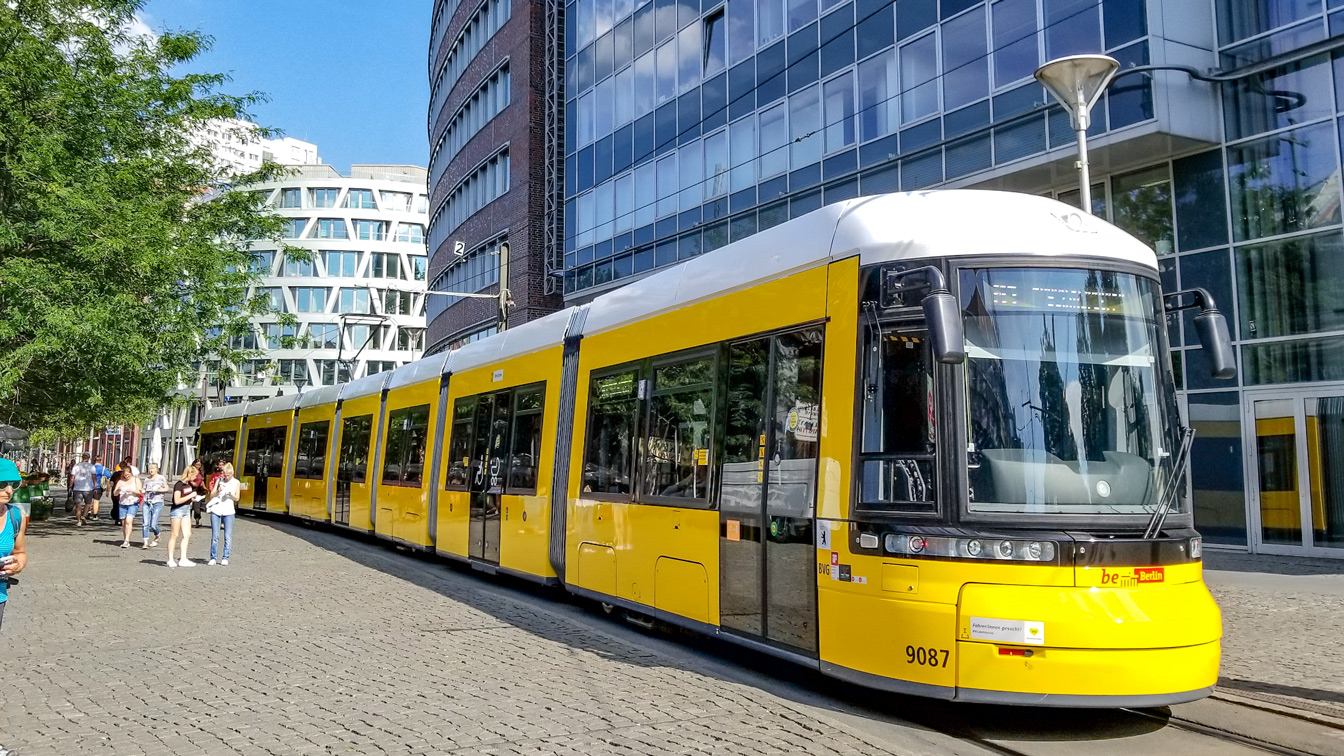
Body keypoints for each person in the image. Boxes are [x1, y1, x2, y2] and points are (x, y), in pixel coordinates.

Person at [0, 459, 29, 630]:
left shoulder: (16, 516)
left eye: (14, 484)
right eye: (2, 484)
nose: (9, 490)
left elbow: (20, 552)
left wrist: (19, 564)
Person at [207, 462, 239, 566]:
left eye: (228, 475)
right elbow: (211, 495)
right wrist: (217, 491)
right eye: (225, 475)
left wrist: (230, 494)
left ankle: (225, 557)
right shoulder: (219, 480)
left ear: (232, 473)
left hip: (229, 511)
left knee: (227, 536)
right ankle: (213, 557)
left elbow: (237, 498)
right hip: (216, 509)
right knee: (215, 536)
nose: (226, 477)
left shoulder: (236, 482)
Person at [167, 468, 198, 568]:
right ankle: (170, 559)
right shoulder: (179, 485)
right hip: (177, 510)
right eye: (195, 475)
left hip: (186, 509)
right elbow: (177, 500)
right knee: (175, 534)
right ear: (190, 474)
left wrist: (192, 498)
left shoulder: (189, 485)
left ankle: (183, 558)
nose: (196, 477)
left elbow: (186, 497)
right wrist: (190, 496)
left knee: (187, 534)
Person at [112, 469, 142, 548]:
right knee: (124, 523)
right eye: (125, 475)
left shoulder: (136, 480)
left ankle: (127, 540)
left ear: (131, 473)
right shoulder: (120, 482)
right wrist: (118, 490)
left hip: (133, 503)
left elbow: (140, 492)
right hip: (122, 503)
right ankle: (125, 539)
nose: (127, 476)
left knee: (128, 521)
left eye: (128, 475)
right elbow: (115, 494)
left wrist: (131, 490)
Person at [140, 463, 167, 548]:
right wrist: (142, 490)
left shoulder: (161, 478)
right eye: (150, 469)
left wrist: (159, 490)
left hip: (157, 502)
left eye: (153, 468)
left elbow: (166, 488)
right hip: (147, 502)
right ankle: (145, 542)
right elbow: (144, 488)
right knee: (145, 523)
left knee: (153, 524)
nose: (151, 470)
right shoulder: (147, 479)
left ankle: (157, 534)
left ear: (157, 470)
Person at [69, 452, 97, 526]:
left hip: (77, 488)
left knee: (78, 505)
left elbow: (72, 477)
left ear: (82, 457)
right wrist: (95, 487)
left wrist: (70, 486)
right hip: (88, 489)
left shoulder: (76, 466)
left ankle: (78, 521)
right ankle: (84, 516)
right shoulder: (91, 467)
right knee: (88, 504)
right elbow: (94, 478)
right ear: (89, 458)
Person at [189, 459, 207, 528]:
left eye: (199, 465)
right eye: (197, 464)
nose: (198, 466)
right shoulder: (191, 470)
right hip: (191, 489)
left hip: (199, 490)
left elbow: (202, 481)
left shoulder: (201, 472)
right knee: (190, 506)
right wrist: (192, 482)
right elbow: (188, 478)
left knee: (197, 507)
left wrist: (204, 487)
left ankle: (197, 520)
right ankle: (188, 521)